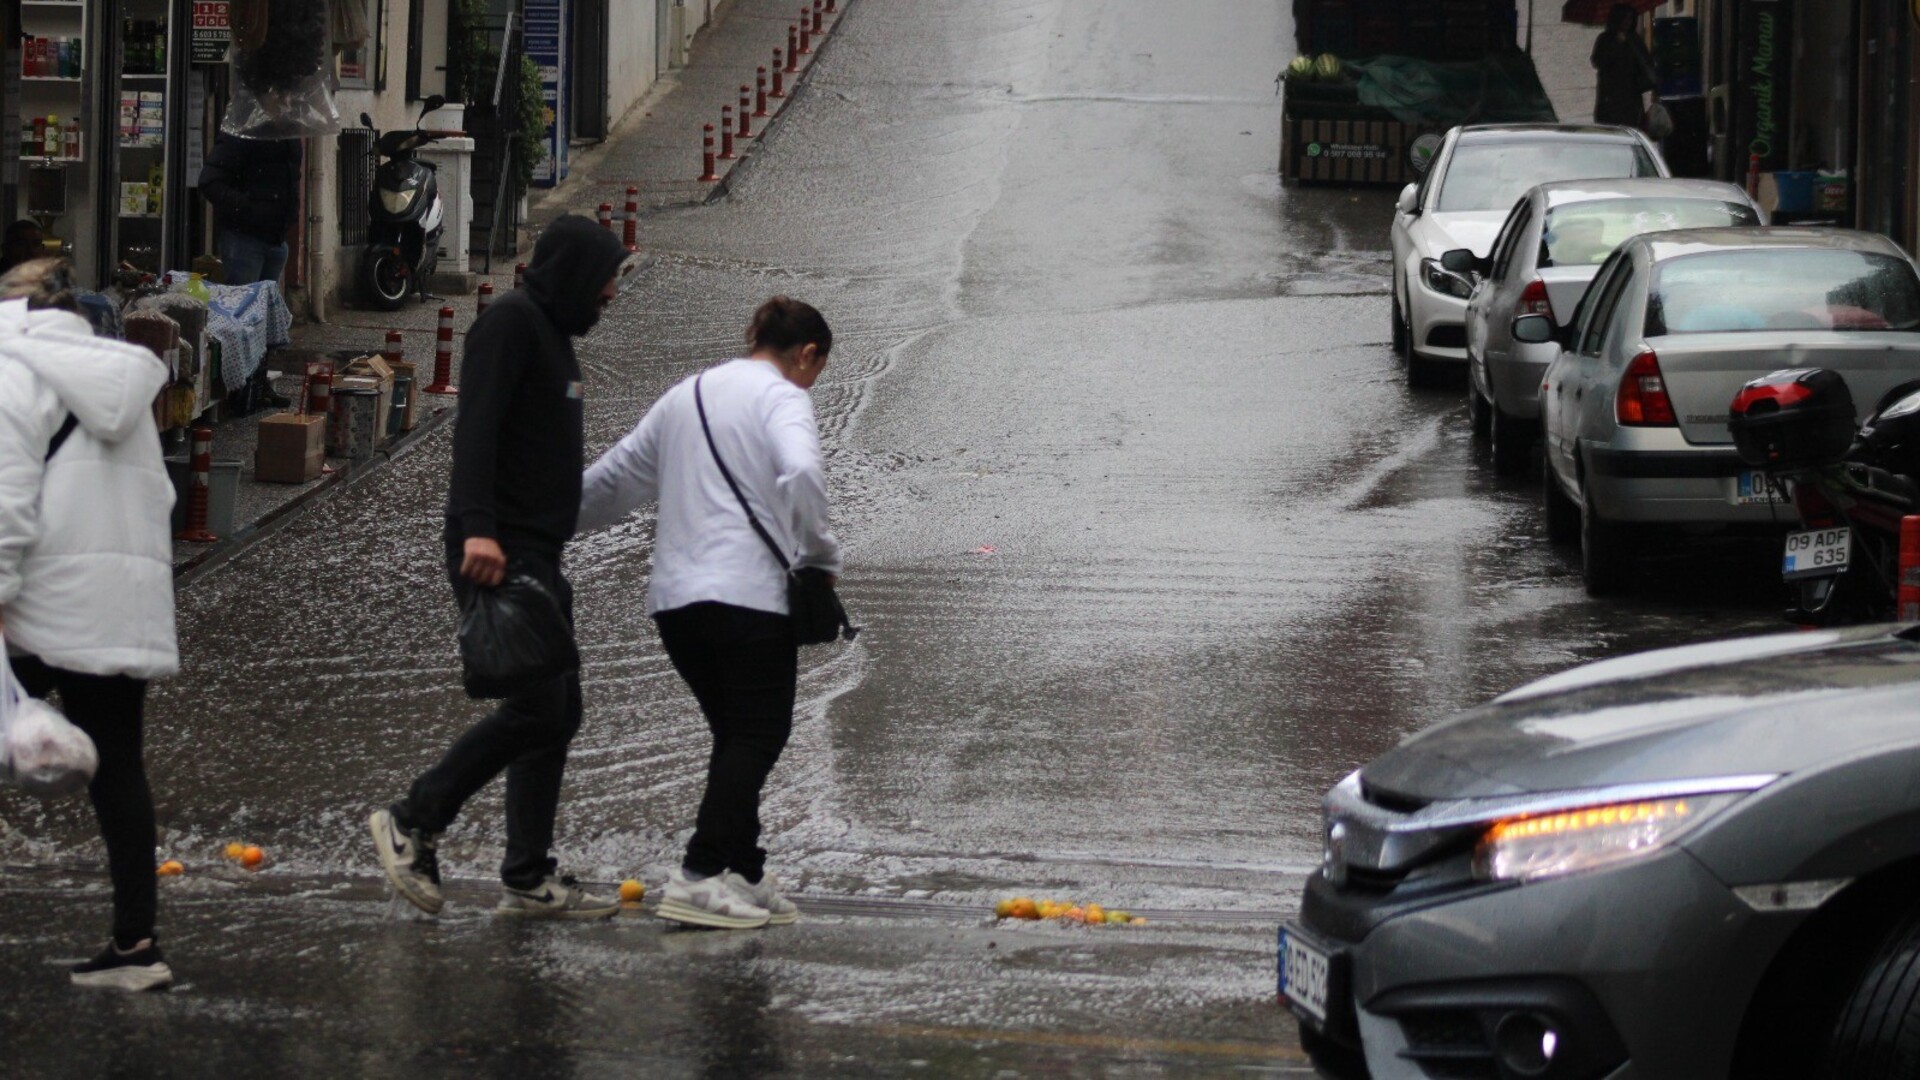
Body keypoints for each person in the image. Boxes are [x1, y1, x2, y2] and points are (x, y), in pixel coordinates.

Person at [370, 214, 629, 920]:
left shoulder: (554, 334)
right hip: (498, 549)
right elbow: (475, 433)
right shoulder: (510, 324)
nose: (610, 293)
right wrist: (479, 531)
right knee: (539, 707)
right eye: (605, 279)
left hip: (538, 551)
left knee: (558, 712)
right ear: (574, 274)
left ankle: (527, 874)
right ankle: (413, 819)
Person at [577, 297, 842, 930]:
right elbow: (803, 469)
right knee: (758, 735)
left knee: (735, 735)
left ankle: (744, 872)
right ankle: (698, 877)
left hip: (676, 603)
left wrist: (528, 530)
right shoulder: (782, 397)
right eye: (817, 369)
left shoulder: (686, 396)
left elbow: (612, 482)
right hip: (748, 598)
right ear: (807, 355)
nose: (811, 381)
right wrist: (818, 556)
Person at [0, 258, 179, 990]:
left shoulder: (12, 371)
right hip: (116, 605)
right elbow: (159, 493)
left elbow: (6, 500)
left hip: (38, 604)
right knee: (120, 770)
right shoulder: (119, 377)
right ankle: (137, 948)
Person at [196, 132, 301, 286]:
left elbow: (292, 179)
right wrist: (248, 208)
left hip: (277, 239)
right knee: (245, 299)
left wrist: (291, 212)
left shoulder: (289, 135)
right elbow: (210, 182)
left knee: (265, 300)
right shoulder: (241, 133)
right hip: (244, 239)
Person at [1590, 4, 1656, 129]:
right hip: (1610, 95)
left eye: (1630, 18)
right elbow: (1597, 61)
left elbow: (1645, 63)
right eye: (1624, 18)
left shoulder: (1635, 39)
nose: (1627, 22)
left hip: (1631, 95)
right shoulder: (1605, 39)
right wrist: (1615, 45)